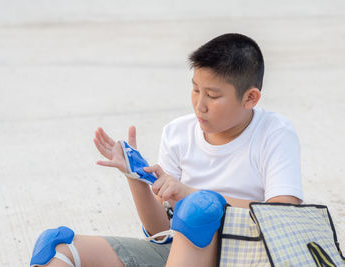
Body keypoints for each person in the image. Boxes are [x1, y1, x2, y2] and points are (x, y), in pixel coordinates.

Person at [30, 33, 303, 267]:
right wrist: (136, 177)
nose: (200, 105)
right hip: (176, 255)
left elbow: (283, 215)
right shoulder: (177, 132)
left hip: (246, 256)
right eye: (195, 90)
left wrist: (192, 195)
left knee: (199, 209)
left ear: (250, 98)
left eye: (213, 95)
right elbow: (160, 231)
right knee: (55, 248)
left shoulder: (274, 133)